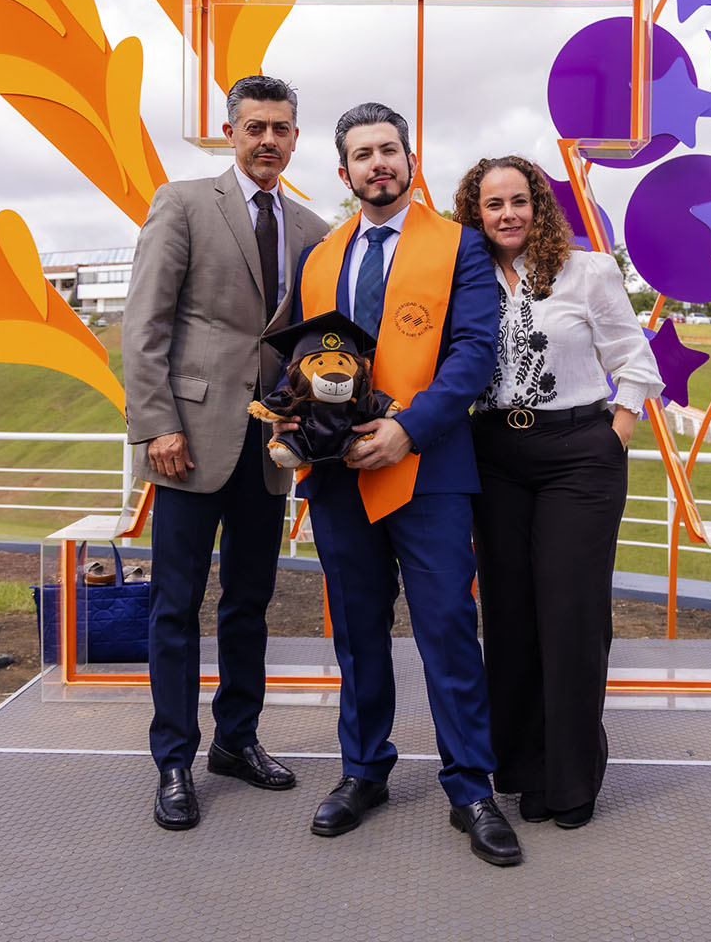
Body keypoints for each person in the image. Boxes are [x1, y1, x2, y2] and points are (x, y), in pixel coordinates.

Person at [286, 103, 519, 867]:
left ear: (409, 158)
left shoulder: (461, 248)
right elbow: (302, 365)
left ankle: (470, 786)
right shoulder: (320, 257)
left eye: (389, 149)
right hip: (338, 476)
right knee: (356, 631)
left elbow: (475, 353)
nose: (377, 163)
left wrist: (406, 430)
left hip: (430, 471)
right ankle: (363, 770)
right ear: (344, 170)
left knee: (448, 626)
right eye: (362, 154)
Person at [122, 74, 329, 831]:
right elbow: (145, 326)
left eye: (280, 128)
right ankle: (174, 760)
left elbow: (307, 341)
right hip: (188, 441)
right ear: (231, 132)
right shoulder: (181, 205)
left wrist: (306, 419)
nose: (267, 139)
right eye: (254, 127)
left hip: (266, 448)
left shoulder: (310, 228)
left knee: (249, 605)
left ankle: (236, 742)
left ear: (295, 138)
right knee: (175, 606)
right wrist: (157, 427)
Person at [451, 155, 662, 829]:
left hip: (579, 456)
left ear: (539, 206)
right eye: (493, 204)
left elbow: (636, 362)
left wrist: (612, 437)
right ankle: (519, 767)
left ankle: (570, 780)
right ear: (475, 213)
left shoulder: (588, 270)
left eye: (520, 200)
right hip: (494, 456)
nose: (508, 213)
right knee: (510, 617)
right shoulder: (467, 278)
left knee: (571, 616)